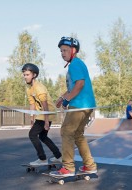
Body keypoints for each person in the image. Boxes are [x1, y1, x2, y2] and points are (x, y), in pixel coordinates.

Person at [50, 37, 97, 177]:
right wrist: (62, 97)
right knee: (78, 135)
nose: (62, 53)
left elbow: (80, 84)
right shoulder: (77, 63)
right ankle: (89, 165)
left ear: (73, 50)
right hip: (87, 104)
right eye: (61, 51)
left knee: (66, 131)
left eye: (65, 50)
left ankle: (68, 167)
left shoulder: (75, 64)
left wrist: (67, 100)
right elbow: (72, 87)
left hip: (79, 104)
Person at [22, 63, 62, 166]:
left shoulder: (39, 87)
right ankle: (59, 156)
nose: (25, 77)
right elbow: (32, 104)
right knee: (43, 137)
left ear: (34, 75)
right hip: (41, 114)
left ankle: (42, 159)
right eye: (24, 75)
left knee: (32, 135)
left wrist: (46, 122)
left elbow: (45, 105)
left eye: (27, 75)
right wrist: (32, 119)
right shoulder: (29, 89)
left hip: (47, 113)